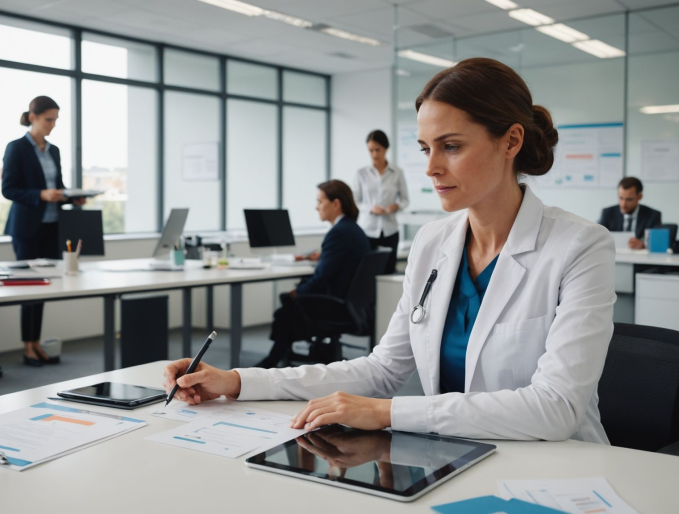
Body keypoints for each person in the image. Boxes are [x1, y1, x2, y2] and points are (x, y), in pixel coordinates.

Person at [163, 58, 616, 444]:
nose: (431, 168)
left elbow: (556, 408)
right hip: (450, 452)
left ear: (511, 142)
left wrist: (387, 413)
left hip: (553, 469)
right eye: (425, 149)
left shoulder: (579, 246)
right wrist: (237, 381)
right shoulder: (433, 242)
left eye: (451, 147)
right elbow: (382, 370)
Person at [2, 96, 85, 367]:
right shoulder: (16, 148)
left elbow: (58, 187)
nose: (53, 125)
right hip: (26, 228)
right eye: (49, 119)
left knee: (45, 286)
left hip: (52, 227)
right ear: (33, 116)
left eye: (56, 120)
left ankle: (36, 343)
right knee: (29, 289)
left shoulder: (54, 150)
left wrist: (73, 198)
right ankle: (28, 347)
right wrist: (41, 194)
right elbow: (9, 189)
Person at [255, 180, 370, 369]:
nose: (316, 207)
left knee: (287, 304)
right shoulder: (352, 230)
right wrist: (324, 256)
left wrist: (297, 292)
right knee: (289, 306)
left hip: (336, 305)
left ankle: (273, 361)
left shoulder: (338, 233)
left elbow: (321, 278)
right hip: (352, 304)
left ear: (336, 204)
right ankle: (281, 357)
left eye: (320, 202)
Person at [353, 130, 409, 274]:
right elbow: (355, 201)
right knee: (367, 273)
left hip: (390, 229)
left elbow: (405, 199)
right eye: (371, 150)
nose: (374, 154)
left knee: (388, 272)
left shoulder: (397, 172)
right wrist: (371, 208)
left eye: (377, 150)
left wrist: (396, 206)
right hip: (368, 230)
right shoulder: (361, 173)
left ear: (386, 148)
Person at [598, 177, 662, 249]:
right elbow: (598, 239)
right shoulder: (608, 213)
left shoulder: (653, 215)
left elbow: (658, 243)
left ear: (639, 196)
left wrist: (644, 245)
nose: (623, 204)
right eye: (621, 198)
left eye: (629, 199)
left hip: (641, 259)